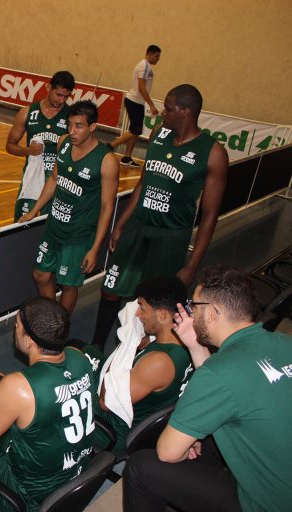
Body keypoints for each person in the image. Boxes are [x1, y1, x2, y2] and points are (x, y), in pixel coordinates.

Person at [123, 265, 292, 512]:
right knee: (210, 435)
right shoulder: (284, 341)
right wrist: (195, 345)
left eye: (194, 306)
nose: (190, 312)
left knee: (141, 467)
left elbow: (168, 452)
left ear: (211, 313)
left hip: (270, 503)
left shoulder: (219, 373)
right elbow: (232, 387)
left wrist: (183, 444)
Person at [91, 84, 228, 352]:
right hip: (138, 228)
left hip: (170, 238)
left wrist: (191, 265)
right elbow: (143, 183)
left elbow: (210, 216)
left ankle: (138, 355)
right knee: (110, 287)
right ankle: (96, 347)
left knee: (154, 304)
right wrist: (122, 222)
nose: (162, 113)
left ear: (185, 112)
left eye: (168, 108)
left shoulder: (212, 153)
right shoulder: (158, 134)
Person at [0, 296, 96, 511]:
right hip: (72, 476)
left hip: (25, 498)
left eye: (17, 325)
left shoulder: (17, 388)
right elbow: (25, 391)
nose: (15, 329)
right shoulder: (78, 357)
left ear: (29, 341)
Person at [18, 100, 119, 314]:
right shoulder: (63, 142)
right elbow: (54, 179)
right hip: (54, 226)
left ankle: (60, 326)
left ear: (92, 127)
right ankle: (53, 317)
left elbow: (107, 207)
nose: (72, 131)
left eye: (79, 126)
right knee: (40, 275)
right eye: (70, 124)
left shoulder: (107, 160)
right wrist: (34, 211)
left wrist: (95, 248)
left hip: (78, 235)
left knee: (68, 285)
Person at [89, 276, 192, 451]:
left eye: (142, 308)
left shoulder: (159, 362)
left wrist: (127, 344)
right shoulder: (188, 339)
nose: (137, 314)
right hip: (140, 403)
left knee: (67, 373)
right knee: (82, 349)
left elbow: (105, 402)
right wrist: (141, 341)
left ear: (162, 315)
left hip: (114, 429)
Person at [6, 70, 75, 222]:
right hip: (32, 179)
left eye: (66, 96)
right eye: (59, 95)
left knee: (48, 225)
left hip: (58, 182)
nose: (62, 100)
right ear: (48, 87)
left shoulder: (71, 117)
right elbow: (10, 146)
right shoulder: (27, 113)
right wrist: (28, 150)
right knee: (21, 223)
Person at [110, 45, 162, 166]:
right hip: (134, 101)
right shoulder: (144, 66)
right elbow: (141, 86)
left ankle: (127, 157)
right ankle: (110, 145)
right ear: (149, 54)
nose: (158, 59)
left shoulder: (145, 66)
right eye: (156, 56)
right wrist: (151, 105)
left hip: (137, 102)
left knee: (136, 131)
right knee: (135, 130)